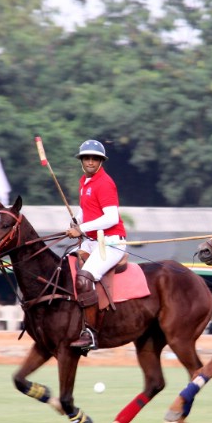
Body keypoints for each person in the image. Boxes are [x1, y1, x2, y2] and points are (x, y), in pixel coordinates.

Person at [65, 139, 128, 350]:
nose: (90, 161)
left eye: (95, 158)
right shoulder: (84, 181)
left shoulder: (105, 183)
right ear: (81, 161)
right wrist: (77, 221)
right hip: (92, 241)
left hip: (109, 243)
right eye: (87, 158)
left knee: (85, 277)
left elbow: (110, 217)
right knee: (64, 266)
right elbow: (89, 210)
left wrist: (81, 229)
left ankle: (90, 333)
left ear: (101, 161)